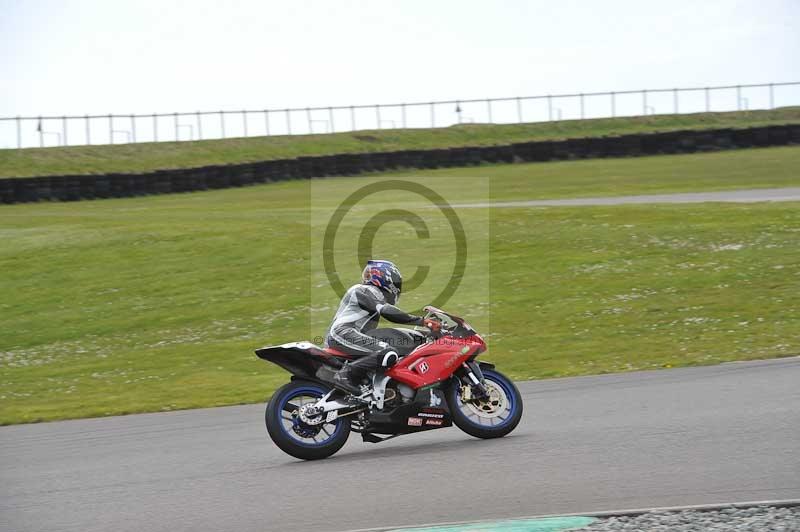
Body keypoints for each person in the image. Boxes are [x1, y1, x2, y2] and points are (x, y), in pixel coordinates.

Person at [325, 259, 439, 394]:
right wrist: (422, 321)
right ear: (386, 278)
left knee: (389, 353)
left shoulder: (371, 295)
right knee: (387, 352)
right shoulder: (364, 290)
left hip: (347, 335)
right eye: (396, 283)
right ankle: (344, 375)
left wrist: (424, 334)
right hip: (342, 333)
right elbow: (387, 312)